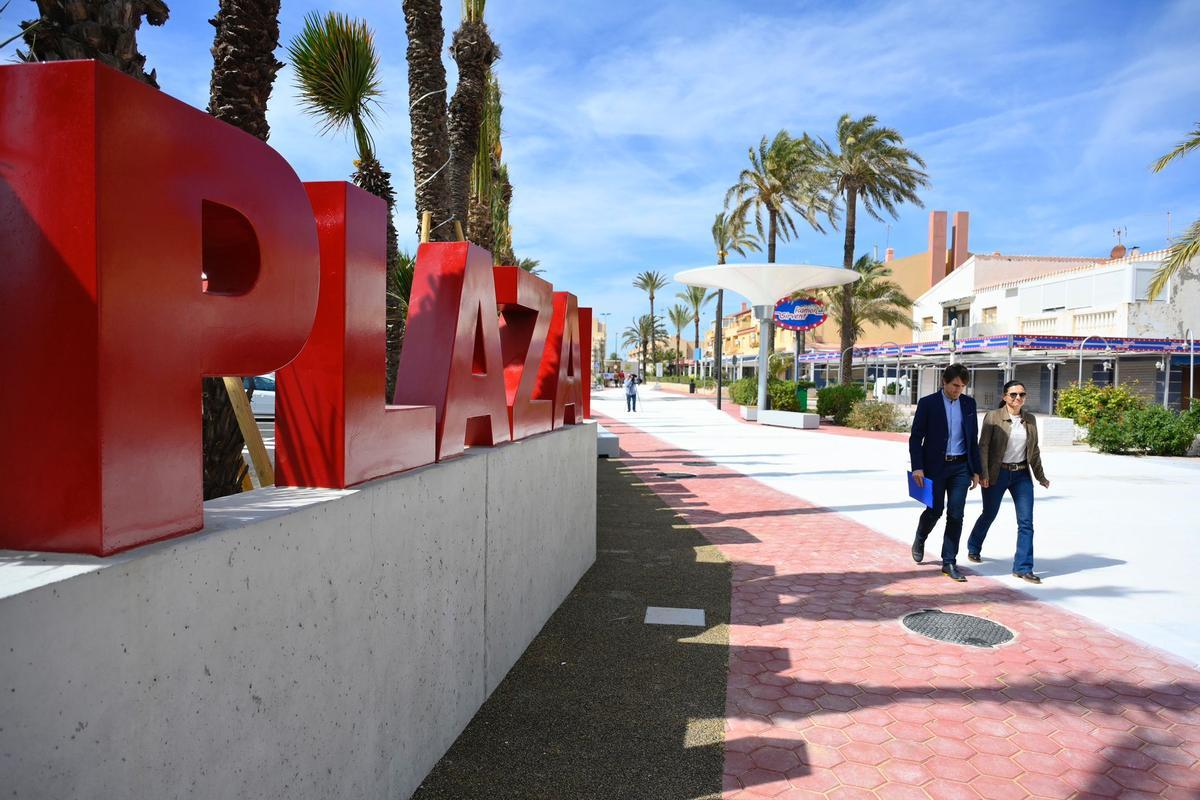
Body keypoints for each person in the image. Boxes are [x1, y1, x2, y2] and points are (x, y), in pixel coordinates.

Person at [966, 380, 1051, 583]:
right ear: (1005, 397)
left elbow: (1034, 451)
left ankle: (1022, 567)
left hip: (1021, 475)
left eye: (1021, 394)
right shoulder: (993, 417)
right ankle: (974, 545)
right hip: (997, 474)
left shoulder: (1030, 420)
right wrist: (983, 473)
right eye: (1013, 395)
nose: (1018, 398)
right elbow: (983, 447)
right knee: (989, 514)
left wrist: (1040, 476)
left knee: (1026, 522)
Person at [908, 363, 982, 582]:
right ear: (944, 382)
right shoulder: (928, 403)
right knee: (935, 510)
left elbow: (972, 440)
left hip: (961, 467)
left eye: (962, 386)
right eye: (954, 385)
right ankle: (921, 536)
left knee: (956, 514)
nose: (958, 390)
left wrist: (976, 470)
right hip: (935, 466)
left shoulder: (968, 404)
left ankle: (949, 561)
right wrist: (917, 467)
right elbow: (916, 438)